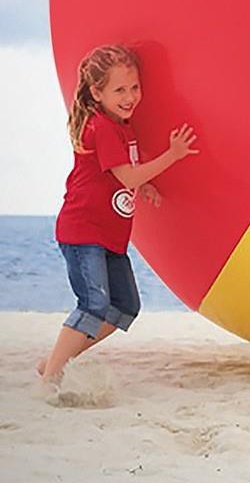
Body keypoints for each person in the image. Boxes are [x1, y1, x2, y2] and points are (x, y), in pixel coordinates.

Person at [39, 45, 198, 383]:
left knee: (125, 307)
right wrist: (173, 155)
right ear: (97, 93)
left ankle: (54, 360)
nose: (130, 97)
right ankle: (51, 375)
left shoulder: (123, 126)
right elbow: (126, 176)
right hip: (83, 231)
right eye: (120, 90)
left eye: (135, 87)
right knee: (93, 305)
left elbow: (123, 175)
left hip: (109, 234)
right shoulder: (102, 127)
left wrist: (145, 186)